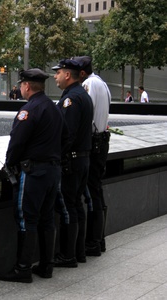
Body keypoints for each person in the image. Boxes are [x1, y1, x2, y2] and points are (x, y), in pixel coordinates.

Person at [0, 69, 65, 283]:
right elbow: (65, 137)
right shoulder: (55, 109)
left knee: (26, 218)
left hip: (33, 173)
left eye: (21, 85)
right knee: (47, 218)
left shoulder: (29, 110)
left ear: (26, 86)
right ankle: (46, 266)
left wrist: (9, 164)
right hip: (53, 171)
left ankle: (23, 268)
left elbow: (17, 141)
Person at [52, 59, 93, 268]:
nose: (55, 76)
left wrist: (56, 156)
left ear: (68, 75)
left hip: (72, 160)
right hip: (82, 158)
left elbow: (67, 134)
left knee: (68, 207)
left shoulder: (71, 99)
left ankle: (67, 255)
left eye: (58, 72)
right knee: (77, 205)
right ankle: (78, 252)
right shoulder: (82, 95)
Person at [73, 56, 111, 257]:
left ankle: (93, 242)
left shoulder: (88, 84)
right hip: (102, 141)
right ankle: (99, 239)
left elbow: (86, 114)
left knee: (92, 192)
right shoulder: (103, 84)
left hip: (93, 144)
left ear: (81, 73)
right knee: (97, 190)